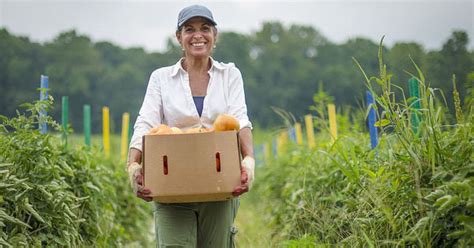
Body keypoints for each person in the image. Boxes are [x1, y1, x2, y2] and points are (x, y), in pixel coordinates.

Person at [126, 4, 255, 248]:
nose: (198, 35)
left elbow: (241, 120)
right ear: (179, 37)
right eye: (189, 29)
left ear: (215, 35)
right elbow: (145, 123)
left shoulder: (230, 75)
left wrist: (249, 162)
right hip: (171, 181)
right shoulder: (161, 78)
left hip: (218, 182)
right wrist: (133, 166)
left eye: (205, 28)